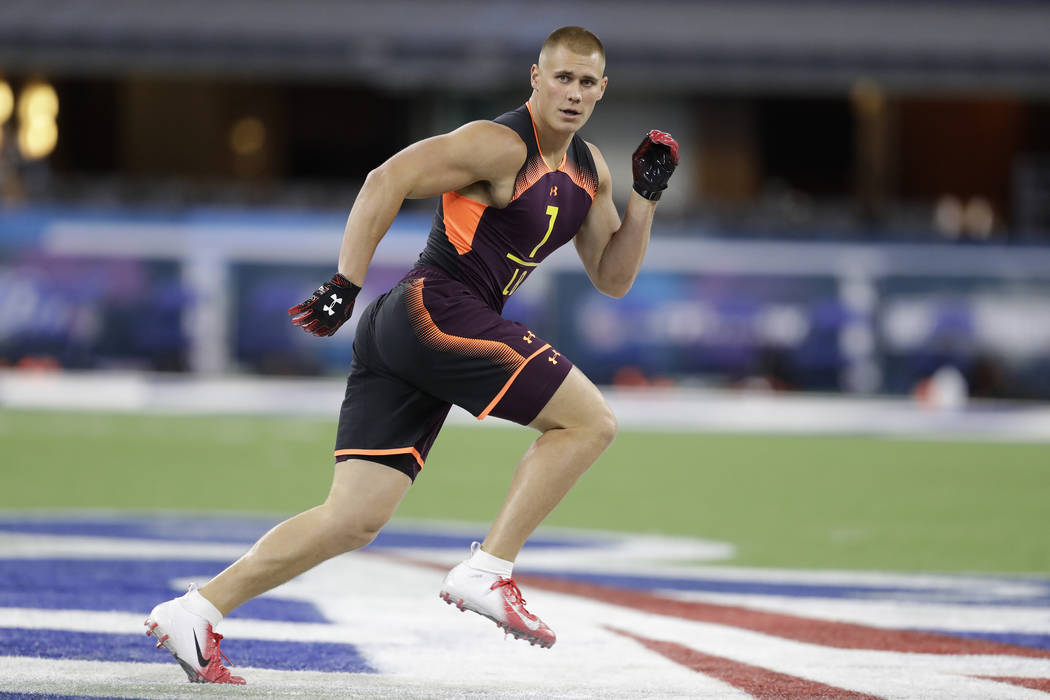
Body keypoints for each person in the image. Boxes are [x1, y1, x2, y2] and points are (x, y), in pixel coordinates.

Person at [144, 25, 678, 684]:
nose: (572, 92)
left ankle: (194, 611)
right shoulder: (500, 144)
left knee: (352, 519)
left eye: (585, 81)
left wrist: (646, 200)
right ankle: (488, 570)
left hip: (411, 328)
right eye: (560, 77)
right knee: (590, 422)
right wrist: (344, 282)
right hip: (436, 309)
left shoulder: (591, 171)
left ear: (603, 90)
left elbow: (613, 277)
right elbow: (385, 178)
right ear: (535, 79)